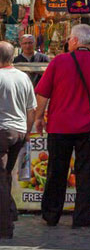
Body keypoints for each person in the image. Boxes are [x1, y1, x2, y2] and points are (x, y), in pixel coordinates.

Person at [33, 24, 90, 228]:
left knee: (56, 171)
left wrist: (39, 118)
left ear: (74, 40)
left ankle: (51, 215)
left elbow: (43, 94)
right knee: (86, 174)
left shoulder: (58, 61)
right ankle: (82, 218)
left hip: (59, 127)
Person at [0, 41, 36, 238]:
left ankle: (5, 228)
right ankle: (11, 212)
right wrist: (27, 133)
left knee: (1, 180)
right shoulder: (23, 77)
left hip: (2, 132)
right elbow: (32, 109)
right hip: (19, 133)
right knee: (5, 176)